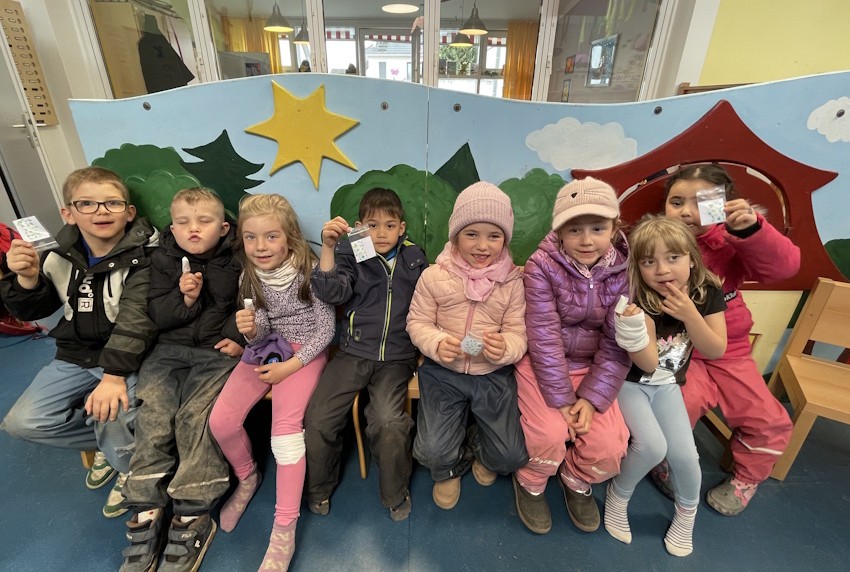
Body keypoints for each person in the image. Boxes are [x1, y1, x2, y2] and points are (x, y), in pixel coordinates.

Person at [0, 166, 158, 516]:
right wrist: (26, 280)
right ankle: (108, 446)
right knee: (22, 422)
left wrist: (113, 378)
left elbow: (137, 320)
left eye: (112, 203)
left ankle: (129, 468)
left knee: (114, 413)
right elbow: (37, 308)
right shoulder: (59, 255)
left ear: (129, 212)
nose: (101, 211)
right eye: (86, 203)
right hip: (76, 354)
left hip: (128, 357)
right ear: (68, 213)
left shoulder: (147, 256)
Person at [659, 164, 797, 516]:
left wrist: (751, 229)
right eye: (677, 202)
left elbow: (782, 268)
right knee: (679, 403)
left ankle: (746, 478)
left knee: (768, 419)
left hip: (729, 348)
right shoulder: (656, 239)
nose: (685, 211)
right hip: (679, 347)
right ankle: (665, 461)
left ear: (721, 206)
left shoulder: (730, 241)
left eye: (700, 202)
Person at [118, 188, 243, 571]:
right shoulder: (162, 259)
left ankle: (192, 509)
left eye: (204, 221)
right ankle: (146, 506)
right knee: (155, 413)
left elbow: (254, 304)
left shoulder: (239, 257)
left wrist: (238, 338)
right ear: (171, 228)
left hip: (216, 352)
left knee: (195, 416)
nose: (193, 229)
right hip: (169, 349)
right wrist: (185, 299)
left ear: (223, 228)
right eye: (183, 222)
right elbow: (158, 313)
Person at [209, 194, 334, 571]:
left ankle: (284, 527)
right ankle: (247, 478)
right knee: (221, 422)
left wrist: (290, 366)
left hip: (304, 351)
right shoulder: (249, 276)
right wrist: (251, 330)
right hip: (266, 350)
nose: (260, 246)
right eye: (251, 237)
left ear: (290, 237)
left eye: (271, 236)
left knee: (285, 436)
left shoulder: (310, 271)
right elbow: (260, 331)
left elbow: (325, 331)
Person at [511, 177, 631, 535]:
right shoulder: (541, 265)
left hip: (593, 369)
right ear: (559, 231)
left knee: (610, 445)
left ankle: (576, 476)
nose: (586, 239)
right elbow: (543, 335)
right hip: (543, 366)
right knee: (548, 433)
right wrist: (563, 399)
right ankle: (532, 479)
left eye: (598, 228)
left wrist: (592, 400)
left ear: (614, 227)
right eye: (575, 229)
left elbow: (616, 343)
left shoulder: (624, 272)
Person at [605, 215, 727, 557]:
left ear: (692, 258)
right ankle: (618, 495)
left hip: (668, 386)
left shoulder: (707, 292)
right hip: (631, 384)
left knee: (686, 456)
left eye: (673, 257)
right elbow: (647, 364)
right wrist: (632, 329)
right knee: (652, 447)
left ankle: (687, 516)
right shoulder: (637, 298)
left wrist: (690, 314)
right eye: (649, 262)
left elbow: (715, 348)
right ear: (638, 267)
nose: (662, 270)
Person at [305, 188, 427, 521]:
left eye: (390, 225)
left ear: (402, 228)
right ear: (360, 226)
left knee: (388, 422)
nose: (381, 233)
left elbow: (431, 303)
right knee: (318, 418)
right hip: (353, 352)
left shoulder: (415, 258)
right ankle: (318, 488)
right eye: (373, 225)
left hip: (397, 358)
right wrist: (328, 248)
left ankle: (394, 494)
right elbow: (330, 292)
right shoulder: (350, 252)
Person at [407, 181, 528, 511]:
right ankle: (451, 466)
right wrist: (436, 343)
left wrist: (506, 347)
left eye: (494, 236)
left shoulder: (512, 282)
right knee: (430, 452)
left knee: (509, 457)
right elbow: (417, 322)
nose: (482, 245)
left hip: (492, 373)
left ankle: (478, 445)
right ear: (456, 236)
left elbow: (518, 333)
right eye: (471, 234)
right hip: (443, 372)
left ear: (505, 239)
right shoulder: (434, 276)